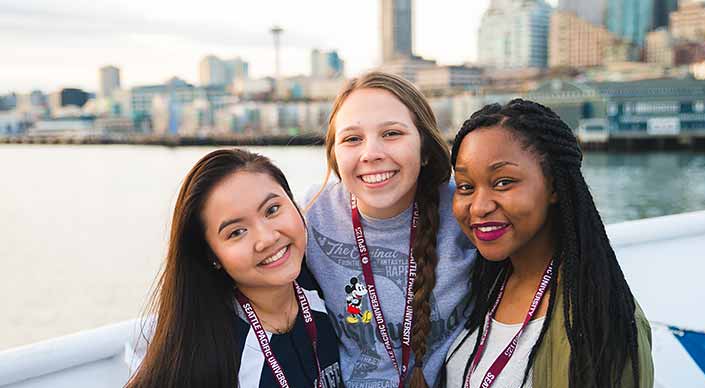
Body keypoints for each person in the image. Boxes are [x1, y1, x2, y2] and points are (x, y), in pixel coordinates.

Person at [444, 100, 654, 388]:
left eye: (503, 182)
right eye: (466, 186)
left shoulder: (599, 317)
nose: (478, 207)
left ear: (554, 186)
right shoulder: (478, 286)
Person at [304, 71, 477, 388]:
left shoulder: (466, 209)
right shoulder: (312, 214)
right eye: (352, 139)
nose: (371, 153)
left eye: (392, 133)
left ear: (425, 148)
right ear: (334, 155)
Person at [127, 149, 343, 388]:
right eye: (236, 232)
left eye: (272, 210)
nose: (267, 239)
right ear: (212, 255)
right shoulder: (206, 352)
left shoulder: (331, 281)